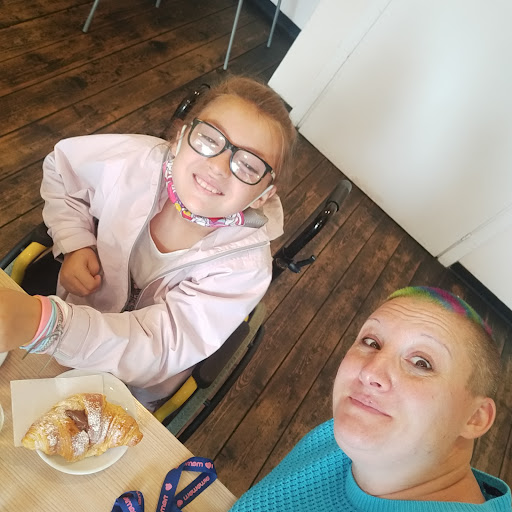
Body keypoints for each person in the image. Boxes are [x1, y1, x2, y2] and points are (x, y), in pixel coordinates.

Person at [0, 75, 296, 409]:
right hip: (58, 330)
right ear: (180, 138)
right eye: (209, 138)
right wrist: (76, 242)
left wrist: (49, 325)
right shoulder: (134, 162)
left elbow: (161, 347)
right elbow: (62, 171)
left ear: (264, 194)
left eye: (248, 165)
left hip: (128, 389)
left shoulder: (244, 270)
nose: (218, 167)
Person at [229, 286, 511, 511]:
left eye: (421, 363)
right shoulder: (343, 435)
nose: (370, 372)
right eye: (371, 342)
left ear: (475, 418)